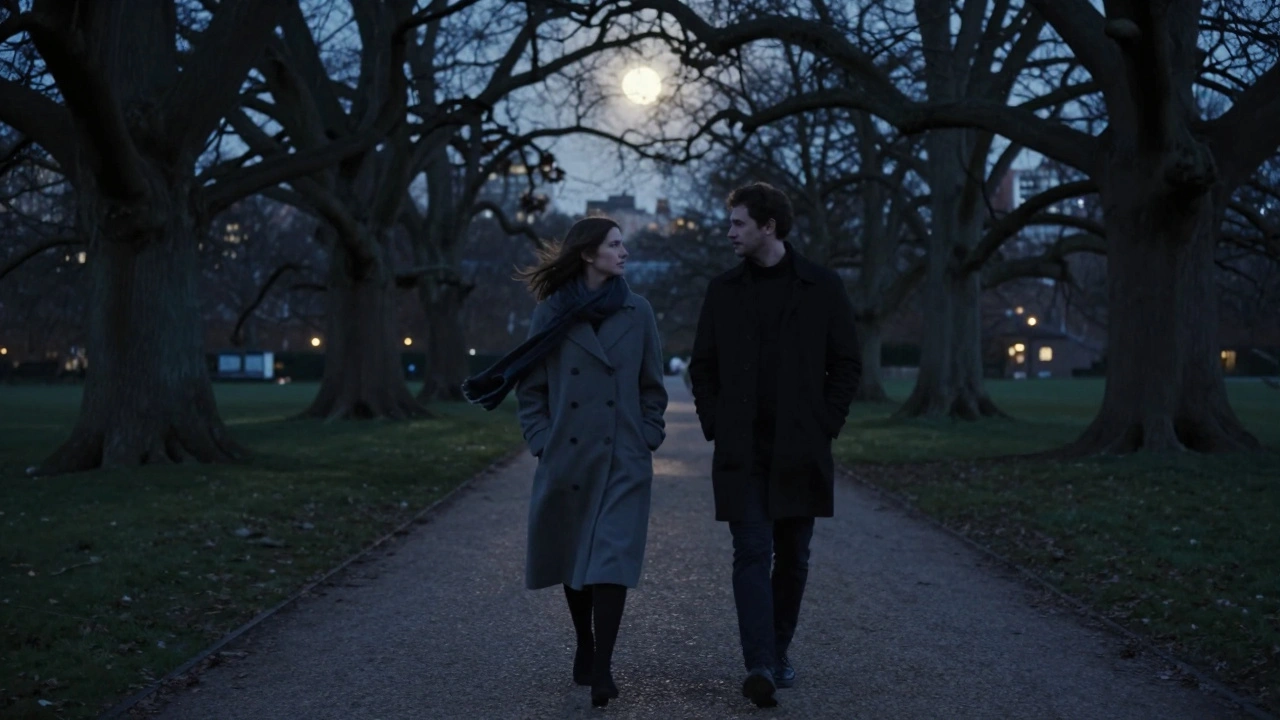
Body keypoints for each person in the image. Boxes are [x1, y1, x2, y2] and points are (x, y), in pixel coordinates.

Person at [461, 216, 668, 708]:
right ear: (588, 254)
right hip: (569, 457)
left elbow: (651, 385)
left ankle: (603, 668)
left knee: (611, 560)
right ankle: (584, 642)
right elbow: (531, 390)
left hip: (623, 456)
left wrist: (649, 434)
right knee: (574, 557)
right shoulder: (552, 312)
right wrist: (540, 441)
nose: (625, 253)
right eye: (615, 245)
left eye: (623, 245)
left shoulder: (639, 311)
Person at [688, 182, 860, 709]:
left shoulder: (822, 286)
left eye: (739, 222)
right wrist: (716, 422)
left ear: (769, 226)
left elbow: (847, 364)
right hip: (744, 450)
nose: (730, 232)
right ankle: (759, 662)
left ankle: (778, 652)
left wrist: (825, 422)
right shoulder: (723, 289)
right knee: (751, 551)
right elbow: (703, 365)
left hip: (801, 449)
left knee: (793, 560)